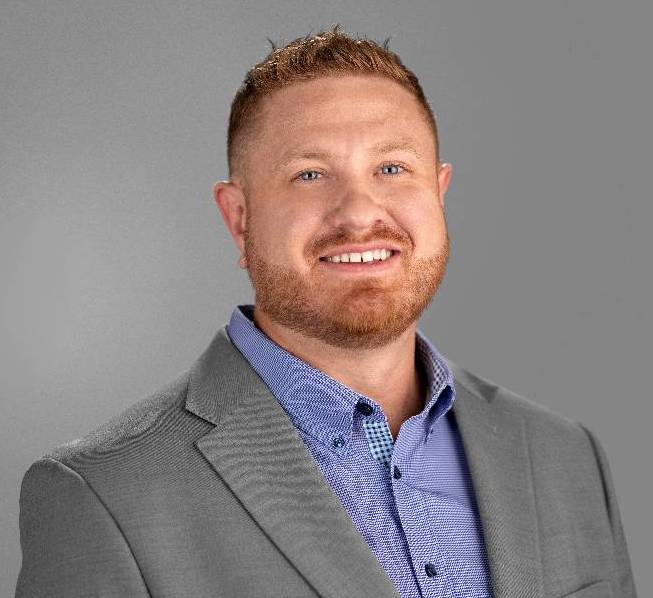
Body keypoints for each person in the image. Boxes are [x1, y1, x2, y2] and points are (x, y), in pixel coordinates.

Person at [16, 25, 636, 598]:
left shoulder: (565, 456)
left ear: (438, 194)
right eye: (310, 174)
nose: (360, 213)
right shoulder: (102, 494)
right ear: (239, 219)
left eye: (392, 168)